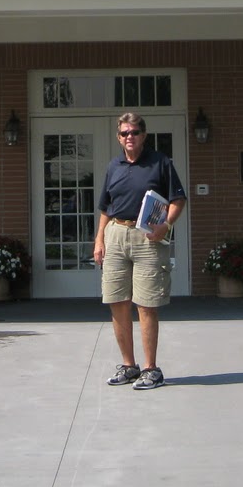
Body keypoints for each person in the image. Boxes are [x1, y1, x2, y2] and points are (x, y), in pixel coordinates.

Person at [93, 111, 187, 390]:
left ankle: (151, 369)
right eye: (124, 133)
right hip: (116, 235)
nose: (129, 137)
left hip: (148, 236)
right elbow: (105, 208)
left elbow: (178, 199)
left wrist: (165, 225)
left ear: (143, 135)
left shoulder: (160, 163)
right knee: (117, 301)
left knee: (146, 304)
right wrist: (99, 239)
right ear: (118, 137)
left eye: (134, 132)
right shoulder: (114, 166)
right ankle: (129, 365)